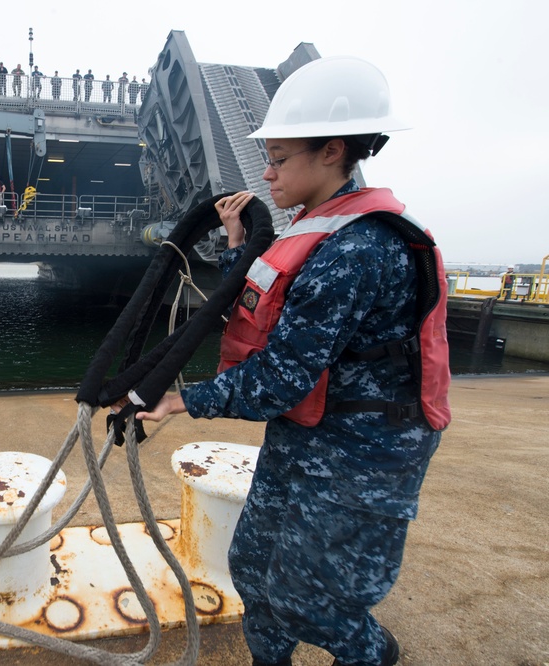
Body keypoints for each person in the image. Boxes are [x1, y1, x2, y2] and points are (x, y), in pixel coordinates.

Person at [130, 57, 450, 666]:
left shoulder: (360, 249)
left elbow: (280, 377)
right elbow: (266, 308)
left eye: (278, 157)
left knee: (315, 603)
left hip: (364, 454)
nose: (266, 172)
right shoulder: (319, 231)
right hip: (307, 436)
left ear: (332, 151)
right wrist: (232, 244)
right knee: (253, 573)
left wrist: (180, 399)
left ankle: (373, 655)